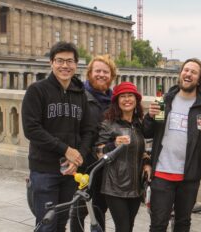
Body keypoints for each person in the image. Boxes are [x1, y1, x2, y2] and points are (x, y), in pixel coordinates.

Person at [22, 41, 95, 231]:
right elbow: (31, 129)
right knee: (46, 224)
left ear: (76, 64)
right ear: (51, 63)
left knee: (61, 224)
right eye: (60, 61)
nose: (65, 66)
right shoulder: (37, 91)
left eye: (69, 61)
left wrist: (78, 156)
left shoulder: (81, 95)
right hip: (44, 169)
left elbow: (88, 130)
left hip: (70, 172)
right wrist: (66, 150)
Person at [143, 58, 201, 232]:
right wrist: (149, 116)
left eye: (193, 72)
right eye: (186, 70)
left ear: (199, 79)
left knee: (183, 223)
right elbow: (147, 132)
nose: (188, 74)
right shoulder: (165, 101)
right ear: (180, 75)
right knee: (158, 224)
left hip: (189, 177)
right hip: (162, 173)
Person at [96, 82, 152, 232]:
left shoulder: (139, 123)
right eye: (123, 96)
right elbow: (98, 152)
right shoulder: (109, 124)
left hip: (135, 186)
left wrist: (147, 163)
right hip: (115, 186)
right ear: (117, 101)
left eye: (130, 96)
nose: (127, 100)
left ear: (136, 100)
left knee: (129, 227)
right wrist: (113, 144)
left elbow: (143, 150)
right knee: (123, 228)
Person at [70, 55, 116, 232]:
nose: (101, 75)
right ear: (89, 73)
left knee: (100, 209)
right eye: (97, 71)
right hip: (84, 162)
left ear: (111, 76)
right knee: (80, 209)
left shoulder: (114, 101)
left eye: (106, 72)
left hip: (104, 164)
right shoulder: (79, 96)